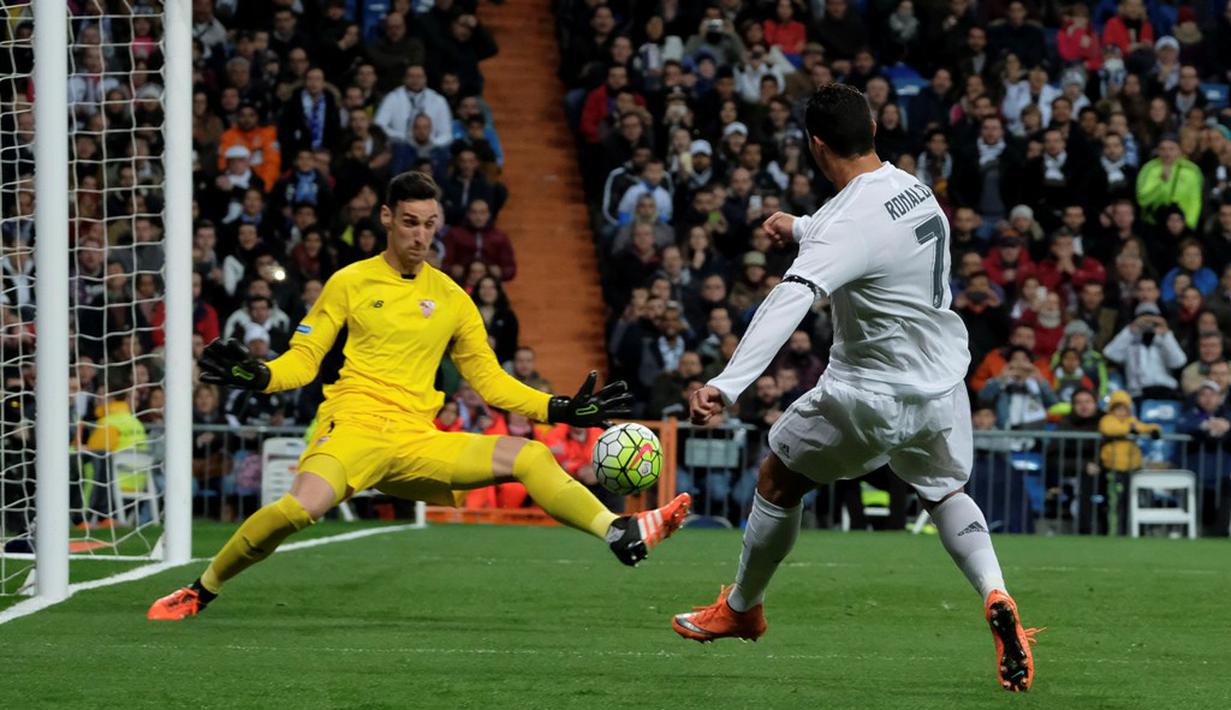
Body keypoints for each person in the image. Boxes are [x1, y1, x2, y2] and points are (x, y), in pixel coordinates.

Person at [148, 173, 691, 620]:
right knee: (298, 510)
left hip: (415, 439)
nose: (419, 235)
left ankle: (618, 530)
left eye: (429, 225)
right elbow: (304, 361)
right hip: (353, 427)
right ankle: (202, 588)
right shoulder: (350, 282)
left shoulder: (452, 298)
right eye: (409, 222)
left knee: (530, 455)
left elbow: (491, 380)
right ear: (386, 218)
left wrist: (558, 409)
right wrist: (262, 376)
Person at [670, 84, 1038, 692]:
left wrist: (726, 383)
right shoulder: (913, 188)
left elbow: (793, 296)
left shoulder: (845, 222)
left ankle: (741, 607)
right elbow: (866, 235)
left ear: (815, 145)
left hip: (871, 392)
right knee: (946, 492)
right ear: (872, 129)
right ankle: (996, 591)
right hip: (942, 383)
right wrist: (803, 226)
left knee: (779, 478)